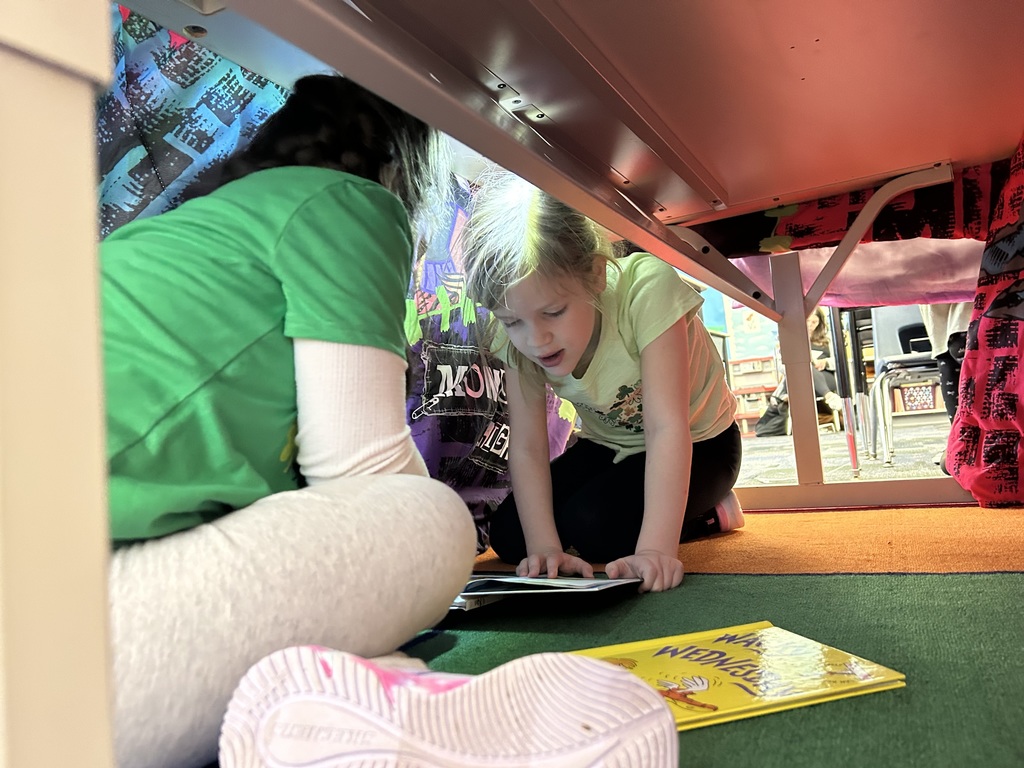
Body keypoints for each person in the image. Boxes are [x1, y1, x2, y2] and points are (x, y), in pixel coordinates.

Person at [101, 74, 479, 768]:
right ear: (397, 171)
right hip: (56, 639)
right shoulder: (352, 202)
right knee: (431, 517)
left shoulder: (206, 227)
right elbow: (367, 477)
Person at [460, 170, 744, 594]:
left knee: (596, 531)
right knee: (512, 538)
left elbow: (667, 427)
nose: (535, 340)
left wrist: (656, 549)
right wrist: (545, 548)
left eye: (553, 313)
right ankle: (619, 515)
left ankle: (707, 510)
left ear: (594, 276)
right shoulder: (518, 336)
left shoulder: (646, 290)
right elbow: (528, 445)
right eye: (512, 321)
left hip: (703, 443)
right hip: (608, 445)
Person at [755, 306, 843, 437]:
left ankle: (827, 394)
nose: (811, 325)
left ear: (820, 323)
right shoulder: (788, 339)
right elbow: (781, 366)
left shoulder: (827, 340)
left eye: (815, 322)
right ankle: (829, 396)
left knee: (809, 370)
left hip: (826, 376)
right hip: (798, 378)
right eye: (808, 321)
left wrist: (825, 363)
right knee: (805, 367)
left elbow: (840, 361)